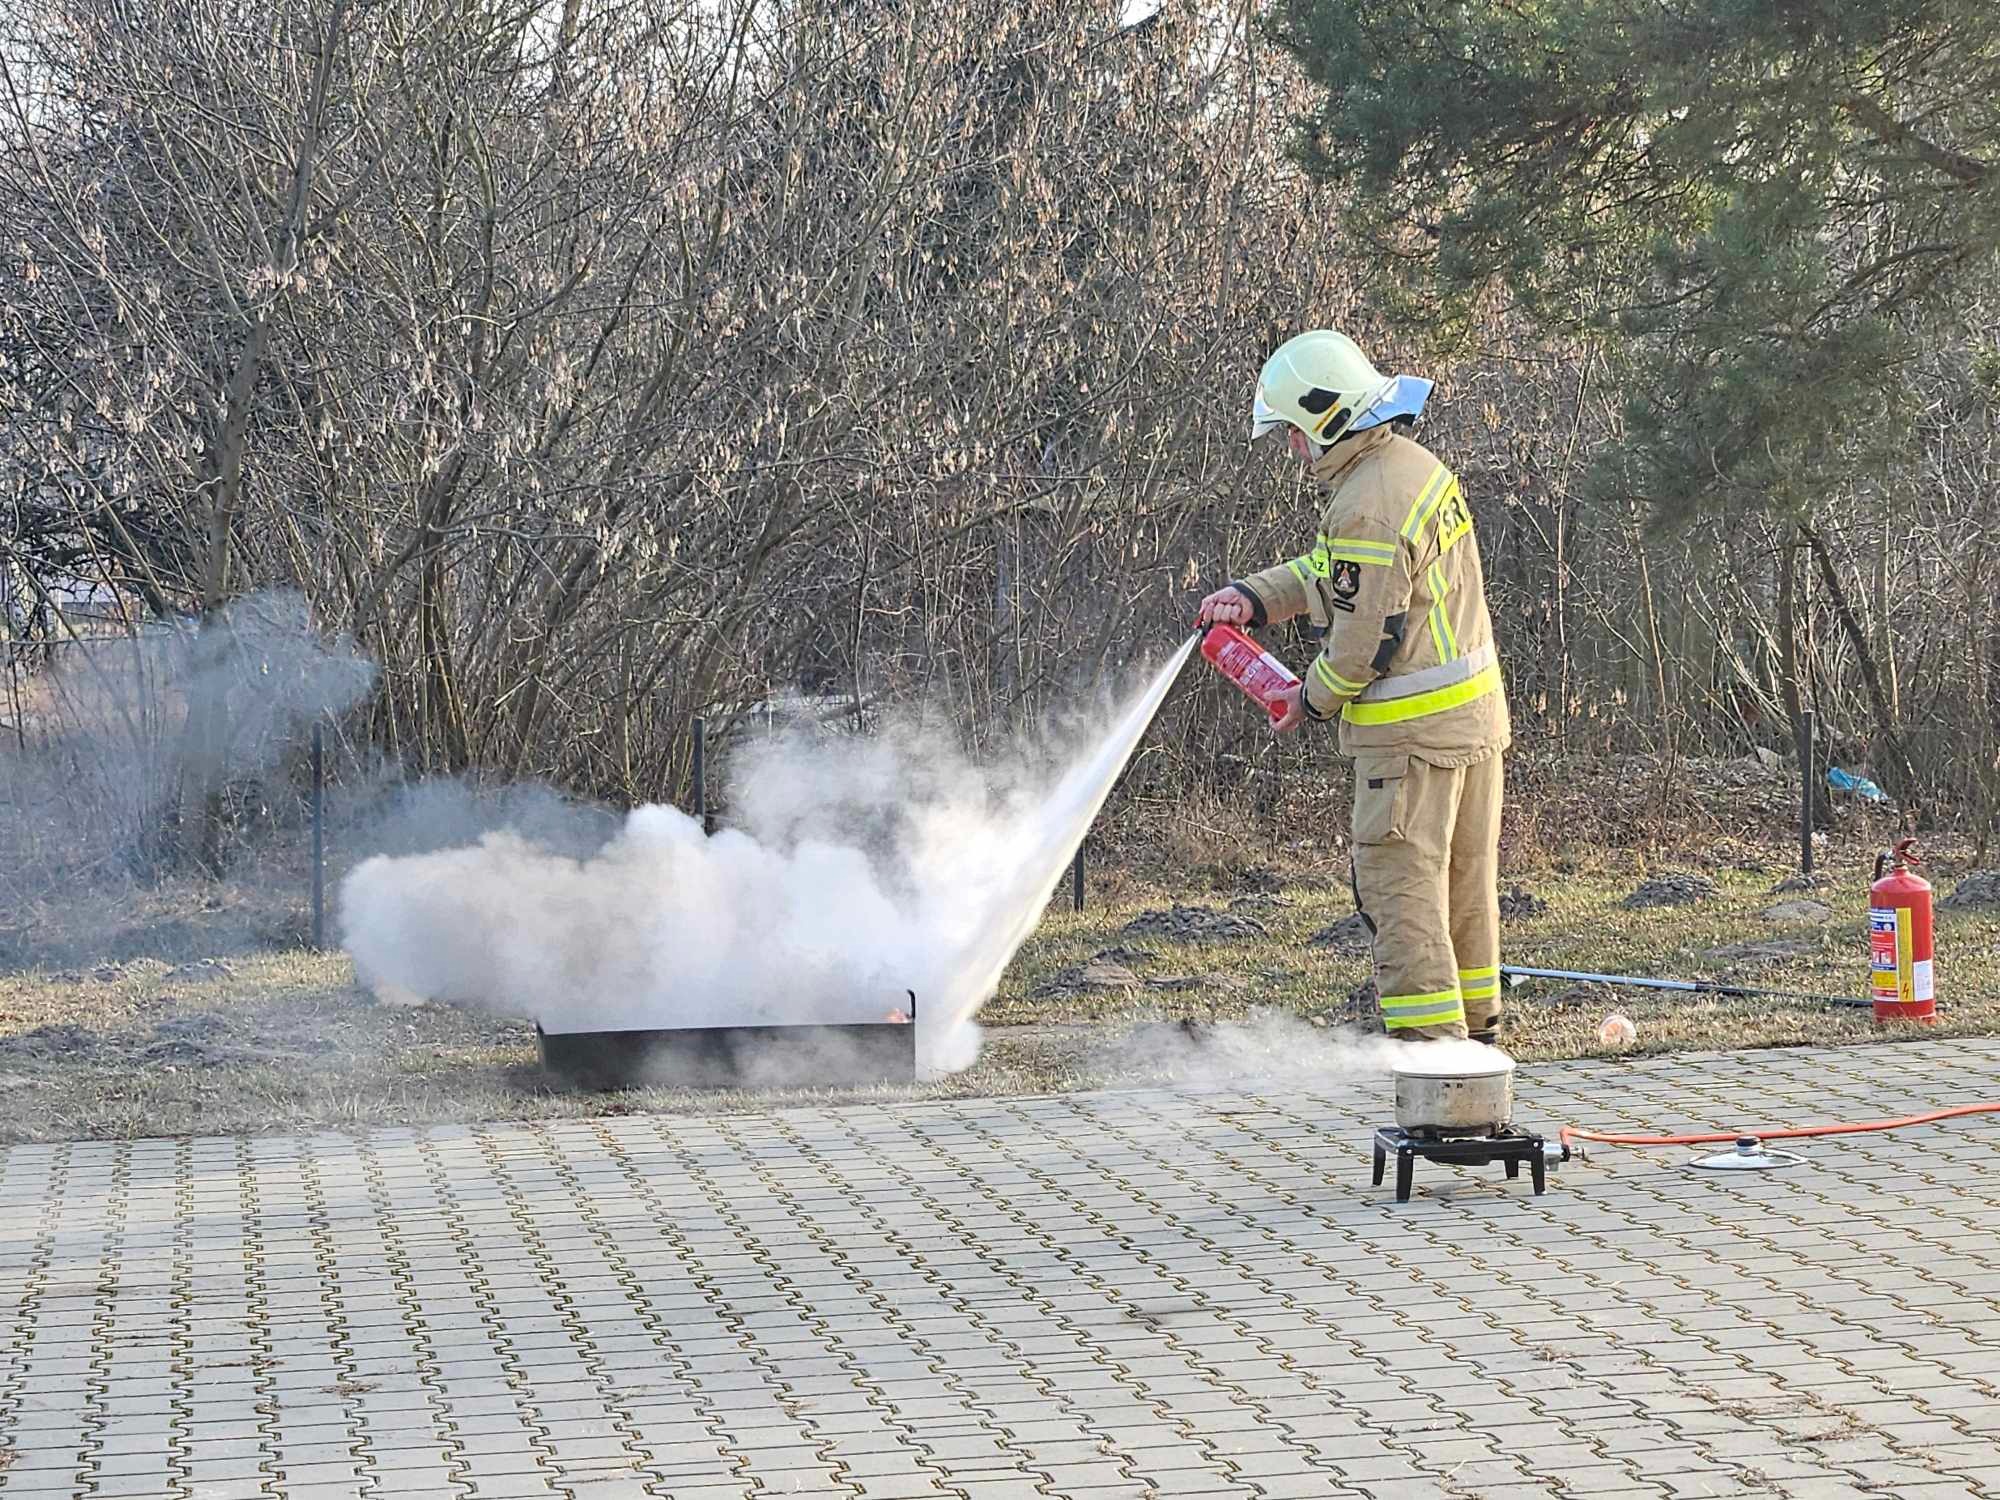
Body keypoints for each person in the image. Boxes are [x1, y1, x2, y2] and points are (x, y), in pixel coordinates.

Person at [1198, 330, 1511, 1043]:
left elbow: (1364, 641)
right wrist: (1254, 598)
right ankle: (1478, 1039)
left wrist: (1307, 699)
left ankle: (1431, 1059)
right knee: (1465, 888)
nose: (1291, 450)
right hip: (1470, 725)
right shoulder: (1408, 466)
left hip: (1409, 743)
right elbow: (1336, 576)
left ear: (1327, 418)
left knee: (1401, 890)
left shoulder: (1365, 503)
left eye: (1293, 433)